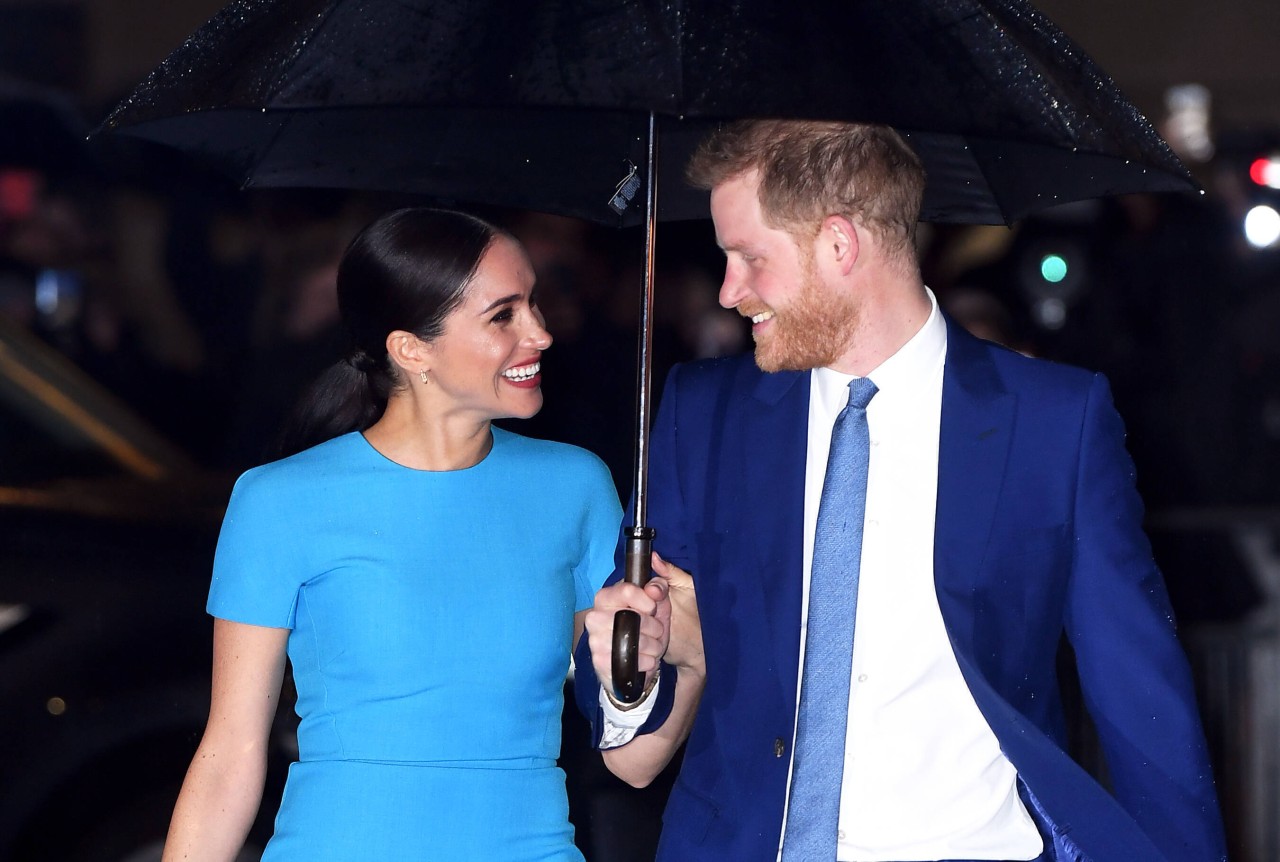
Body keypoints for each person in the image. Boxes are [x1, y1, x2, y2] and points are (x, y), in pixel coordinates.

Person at [574, 120, 1228, 862]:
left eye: (750, 257)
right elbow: (629, 685)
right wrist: (633, 670)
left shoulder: (1053, 422)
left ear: (839, 245)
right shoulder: (705, 411)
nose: (730, 291)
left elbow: (1141, 697)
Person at [163, 207, 623, 861]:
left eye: (535, 305)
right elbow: (229, 752)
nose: (541, 334)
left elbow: (628, 733)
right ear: (411, 349)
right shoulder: (279, 500)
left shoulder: (575, 486)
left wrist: (680, 653)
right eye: (504, 316)